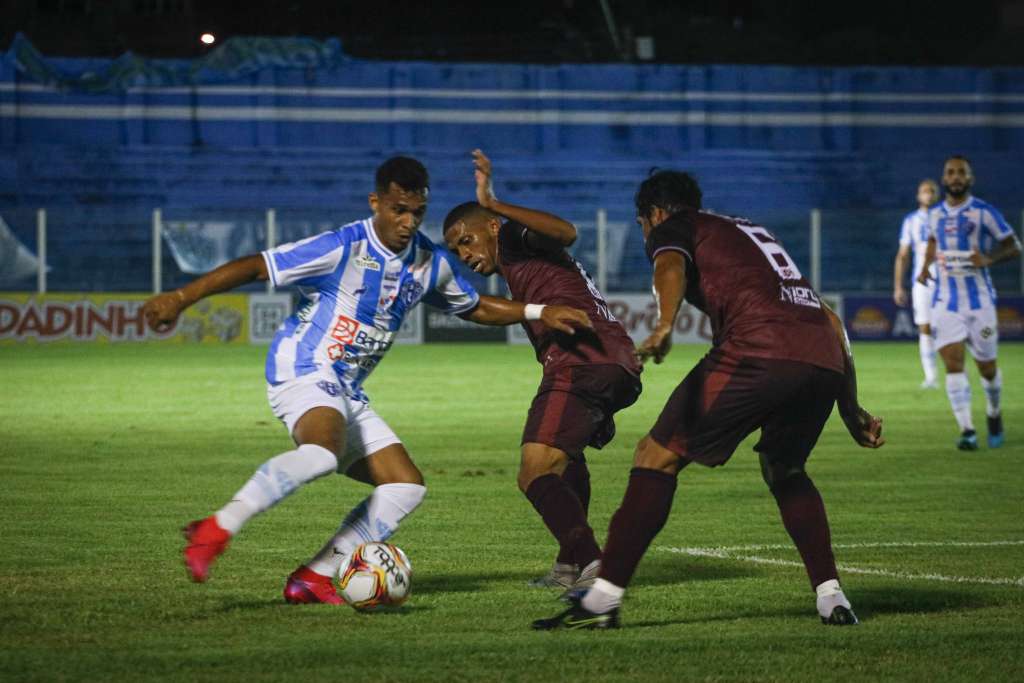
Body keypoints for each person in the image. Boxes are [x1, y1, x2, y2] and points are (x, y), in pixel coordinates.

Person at [142, 156, 591, 604]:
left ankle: (314, 576)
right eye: (398, 210)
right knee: (319, 455)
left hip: (346, 390)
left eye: (417, 212)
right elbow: (258, 267)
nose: (408, 221)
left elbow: (474, 307)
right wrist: (182, 297)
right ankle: (216, 528)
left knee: (405, 485)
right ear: (376, 203)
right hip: (304, 369)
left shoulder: (427, 263)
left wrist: (538, 310)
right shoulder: (344, 247)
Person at [534, 169, 885, 631]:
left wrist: (663, 323)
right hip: (822, 357)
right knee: (786, 468)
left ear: (654, 214)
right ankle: (831, 596)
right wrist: (850, 406)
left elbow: (669, 266)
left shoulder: (674, 228)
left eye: (644, 226)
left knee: (654, 456)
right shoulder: (748, 231)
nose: (647, 237)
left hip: (759, 348)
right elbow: (830, 319)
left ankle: (600, 603)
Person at [443, 150, 642, 594]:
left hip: (582, 361)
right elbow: (485, 310)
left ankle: (594, 564)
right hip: (612, 360)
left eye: (466, 240)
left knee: (534, 471)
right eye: (456, 249)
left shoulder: (513, 237)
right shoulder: (517, 266)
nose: (464, 253)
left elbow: (566, 232)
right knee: (567, 461)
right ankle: (569, 564)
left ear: (491, 226)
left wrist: (495, 203)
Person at [917, 155, 1020, 450]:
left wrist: (988, 259)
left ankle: (994, 411)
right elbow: (933, 242)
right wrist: (925, 267)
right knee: (953, 364)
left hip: (980, 304)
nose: (956, 177)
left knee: (987, 368)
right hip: (945, 303)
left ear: (970, 178)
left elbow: (1014, 245)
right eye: (950, 172)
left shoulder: (984, 212)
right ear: (944, 179)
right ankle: (968, 430)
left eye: (961, 172)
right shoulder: (934, 215)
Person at [893, 179, 940, 388]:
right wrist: (898, 286)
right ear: (918, 196)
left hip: (947, 280)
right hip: (921, 282)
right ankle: (931, 377)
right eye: (924, 191)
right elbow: (903, 255)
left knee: (948, 327)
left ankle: (955, 372)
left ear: (936, 195)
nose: (928, 194)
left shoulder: (946, 217)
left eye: (931, 191)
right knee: (925, 326)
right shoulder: (911, 221)